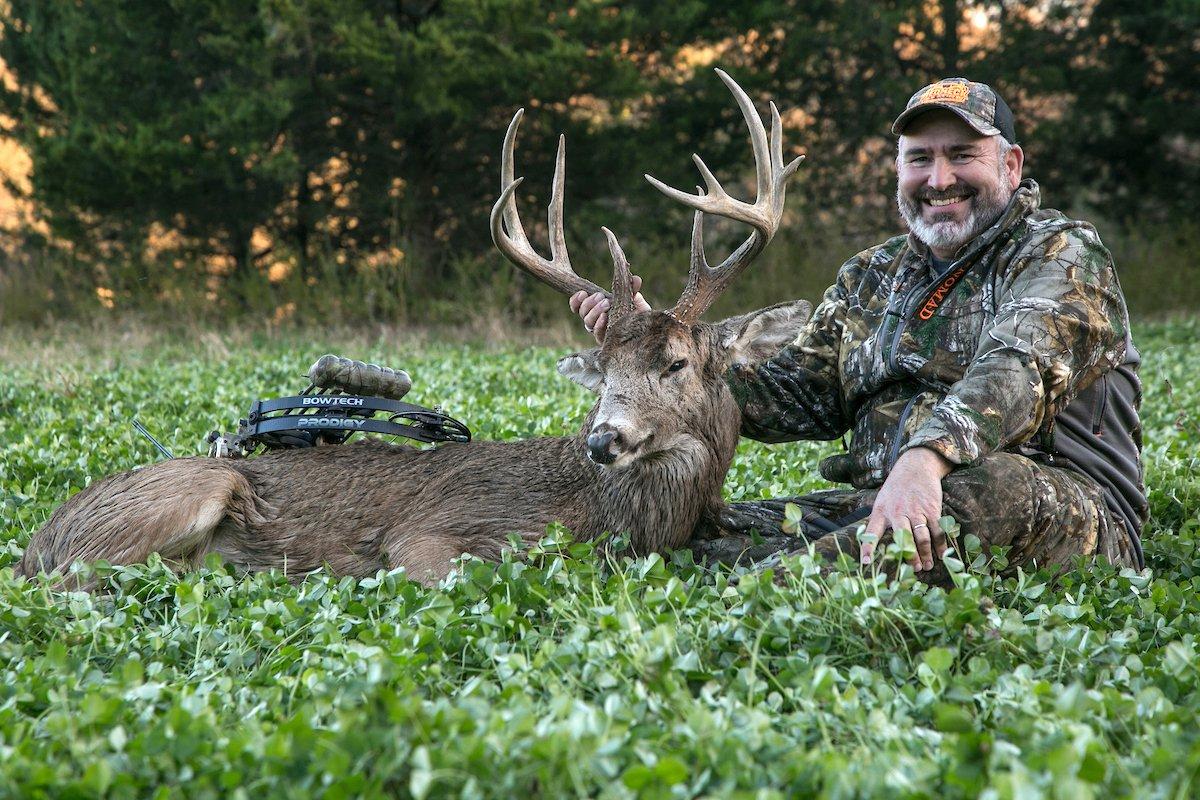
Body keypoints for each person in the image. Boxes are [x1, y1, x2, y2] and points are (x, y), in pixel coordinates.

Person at [569, 78, 1148, 584]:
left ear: (1011, 165)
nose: (939, 178)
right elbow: (791, 393)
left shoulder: (1062, 255)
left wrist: (925, 459)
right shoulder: (872, 275)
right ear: (899, 170)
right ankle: (782, 574)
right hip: (878, 503)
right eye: (920, 158)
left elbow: (1020, 367)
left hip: (1059, 504)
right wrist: (663, 350)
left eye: (962, 155)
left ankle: (764, 591)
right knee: (696, 533)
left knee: (989, 489)